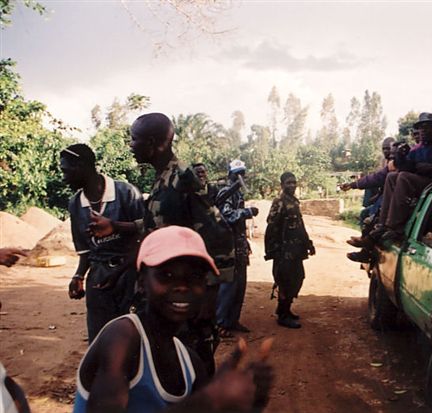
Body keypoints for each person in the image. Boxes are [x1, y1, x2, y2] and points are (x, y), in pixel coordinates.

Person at [87, 112, 235, 376]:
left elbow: (218, 235)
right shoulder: (161, 180)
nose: (130, 146)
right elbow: (156, 227)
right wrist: (116, 228)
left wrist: (209, 300)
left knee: (195, 363)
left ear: (154, 143)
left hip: (187, 295)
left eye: (134, 140)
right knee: (167, 363)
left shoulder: (183, 178)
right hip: (166, 294)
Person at [72, 225, 273, 413]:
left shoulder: (190, 364)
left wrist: (247, 403)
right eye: (166, 275)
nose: (182, 287)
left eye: (194, 277)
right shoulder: (121, 337)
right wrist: (209, 400)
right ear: (142, 282)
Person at [60, 144, 145, 343]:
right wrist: (79, 275)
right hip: (99, 278)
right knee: (100, 338)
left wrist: (122, 270)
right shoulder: (75, 203)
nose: (63, 177)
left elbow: (146, 234)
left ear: (81, 166)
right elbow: (86, 250)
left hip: (130, 273)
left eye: (65, 170)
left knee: (133, 336)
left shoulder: (126, 193)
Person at [356, 112, 432, 244]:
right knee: (392, 176)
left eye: (427, 127)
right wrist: (401, 156)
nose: (423, 130)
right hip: (423, 182)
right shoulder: (417, 149)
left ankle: (395, 225)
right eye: (421, 127)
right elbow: (406, 166)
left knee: (403, 177)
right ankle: (382, 224)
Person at [264, 172, 315, 329]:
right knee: (285, 282)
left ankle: (285, 308)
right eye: (288, 183)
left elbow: (300, 225)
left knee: (298, 278)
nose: (292, 185)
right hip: (284, 251)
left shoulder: (294, 201)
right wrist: (273, 250)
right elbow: (271, 227)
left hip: (296, 250)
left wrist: (308, 243)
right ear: (282, 185)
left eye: (294, 182)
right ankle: (283, 315)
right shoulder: (279, 202)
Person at [215, 159, 259, 338]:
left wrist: (246, 242)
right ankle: (221, 323)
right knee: (228, 286)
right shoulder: (226, 192)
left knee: (240, 285)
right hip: (227, 246)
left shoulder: (238, 194)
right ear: (230, 175)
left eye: (242, 173)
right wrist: (247, 212)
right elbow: (227, 216)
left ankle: (233, 320)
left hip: (238, 244)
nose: (240, 177)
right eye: (237, 174)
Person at [341, 138, 395, 262]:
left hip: (395, 199)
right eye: (384, 148)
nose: (387, 151)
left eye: (389, 148)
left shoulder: (397, 162)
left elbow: (379, 179)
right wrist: (353, 184)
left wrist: (354, 184)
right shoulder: (386, 162)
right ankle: (365, 247)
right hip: (386, 196)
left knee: (372, 218)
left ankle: (367, 249)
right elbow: (377, 179)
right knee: (365, 213)